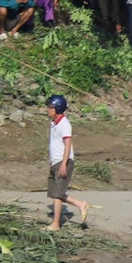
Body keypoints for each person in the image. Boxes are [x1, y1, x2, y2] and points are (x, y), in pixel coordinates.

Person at [44, 95, 89, 231]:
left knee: (57, 194)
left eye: (50, 107)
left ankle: (56, 224)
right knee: (54, 192)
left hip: (63, 162)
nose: (47, 110)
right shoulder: (54, 123)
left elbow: (68, 144)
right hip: (55, 162)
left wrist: (64, 164)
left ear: (57, 109)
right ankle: (80, 204)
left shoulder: (64, 123)